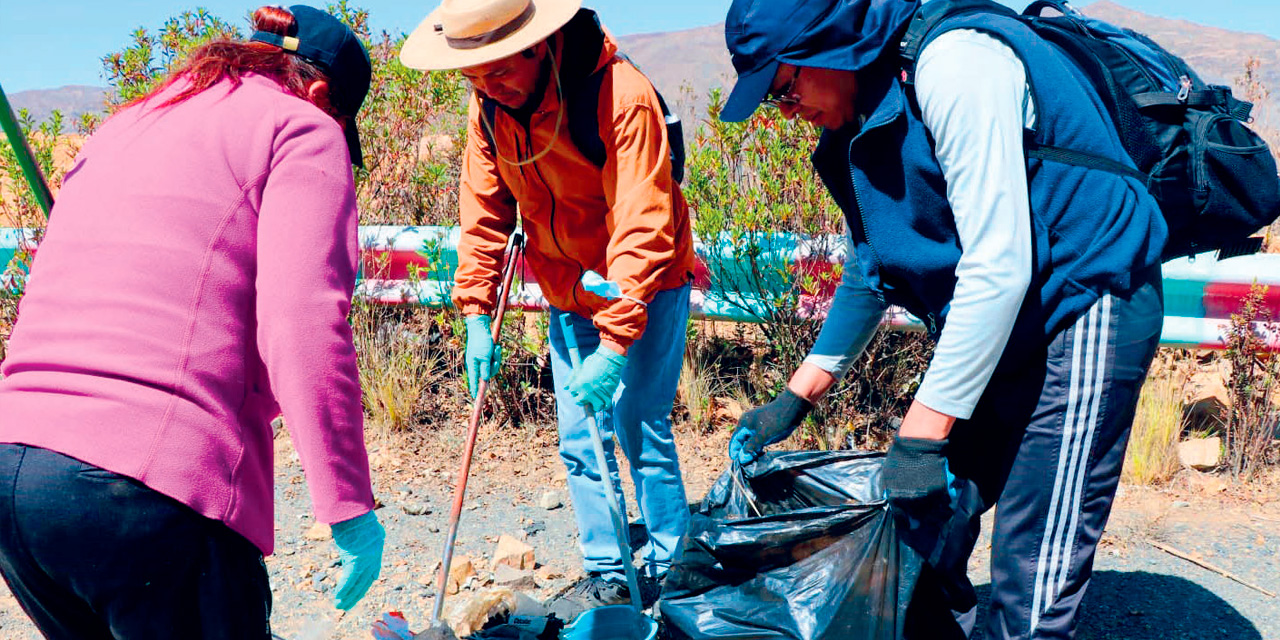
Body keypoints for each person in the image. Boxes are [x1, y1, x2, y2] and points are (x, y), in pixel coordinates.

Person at [720, 0, 1167, 638]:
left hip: (1087, 299)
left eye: (785, 89)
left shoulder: (955, 64)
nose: (787, 113)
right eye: (774, 101)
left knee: (1032, 560)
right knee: (925, 523)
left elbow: (998, 266)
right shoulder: (861, 116)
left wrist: (923, 436)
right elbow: (874, 265)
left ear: (831, 46)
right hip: (1006, 316)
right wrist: (797, 396)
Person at [0, 6, 384, 638]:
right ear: (320, 94)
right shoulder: (301, 128)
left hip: (19, 475)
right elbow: (302, 323)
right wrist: (346, 506)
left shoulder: (126, 123)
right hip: (143, 490)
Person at [400, 0, 696, 617]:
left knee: (638, 423)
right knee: (580, 438)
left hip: (648, 279)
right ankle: (609, 570)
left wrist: (615, 346)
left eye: (498, 70)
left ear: (539, 47)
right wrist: (477, 314)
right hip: (570, 289)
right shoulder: (489, 110)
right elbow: (483, 217)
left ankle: (675, 569)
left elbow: (644, 224)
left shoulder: (620, 95)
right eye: (473, 75)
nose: (487, 87)